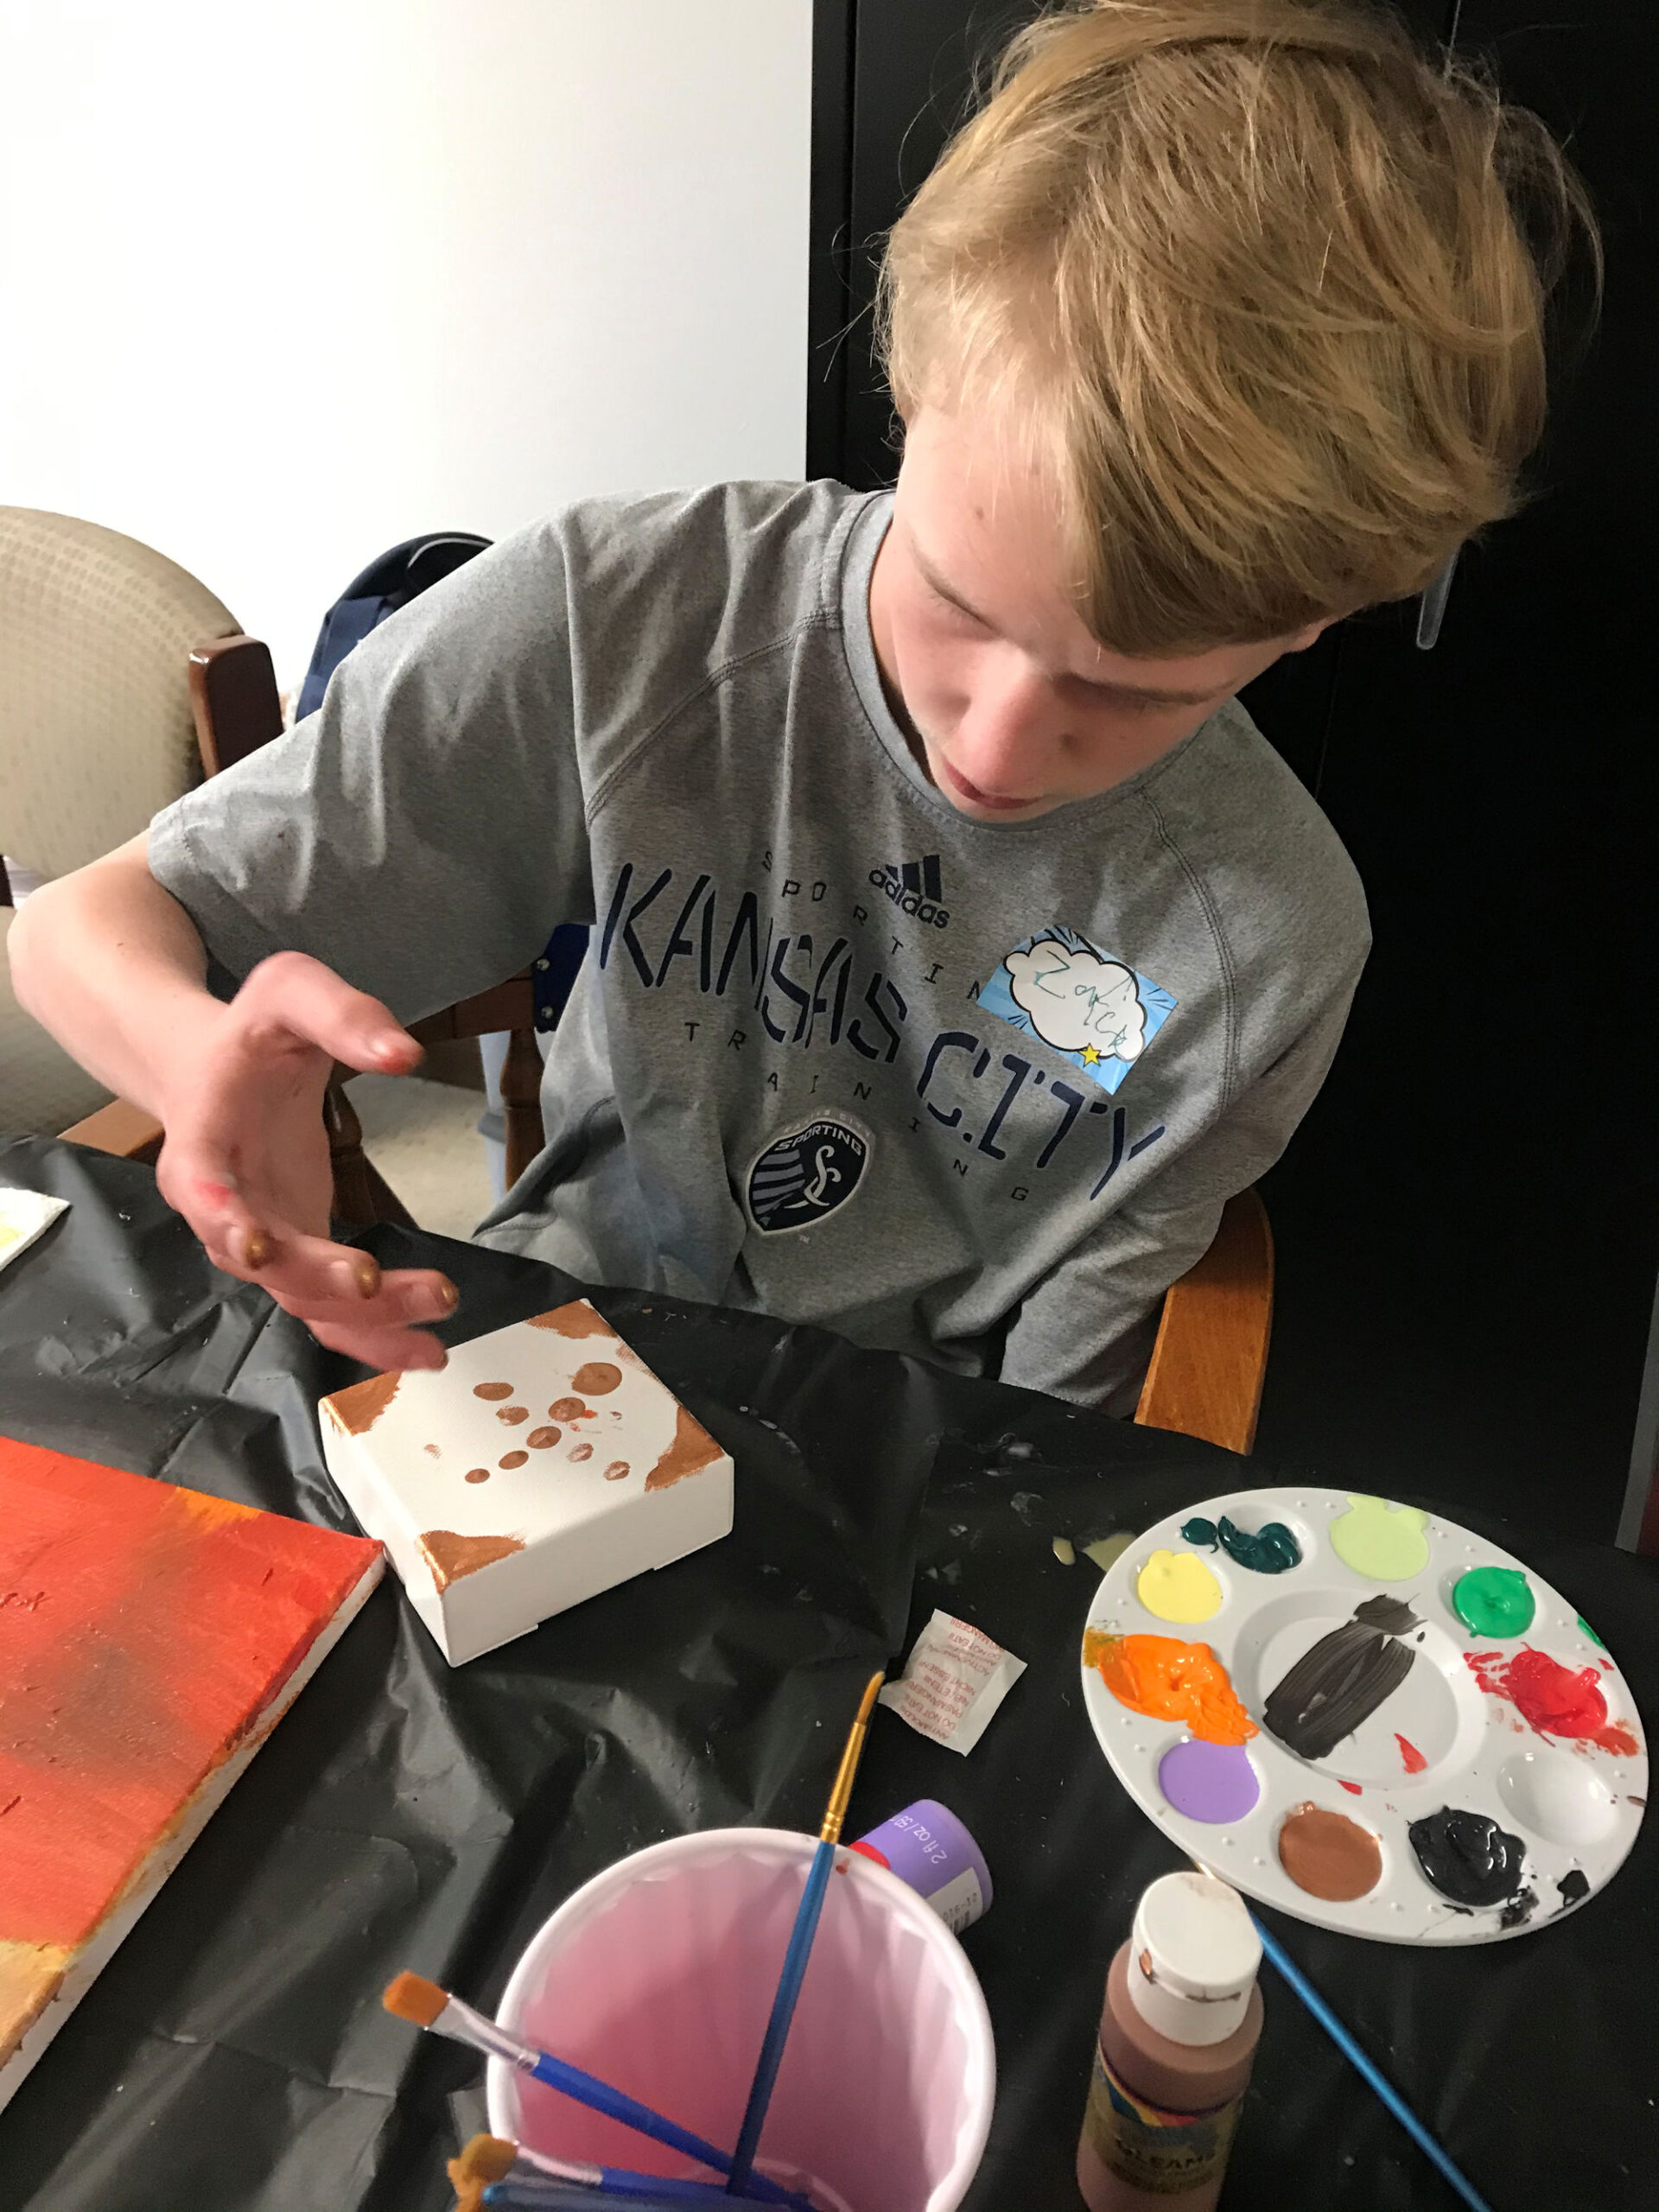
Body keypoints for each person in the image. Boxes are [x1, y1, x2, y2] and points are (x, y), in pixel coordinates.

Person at [9, 0, 1593, 1405]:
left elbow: (1056, 1426)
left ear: (1317, 624)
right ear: (912, 385)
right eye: (959, 609)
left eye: (1128, 698)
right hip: (558, 1344)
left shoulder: (1265, 937)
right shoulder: (625, 617)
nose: (987, 752)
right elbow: (77, 927)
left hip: (917, 1457)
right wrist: (185, 1058)